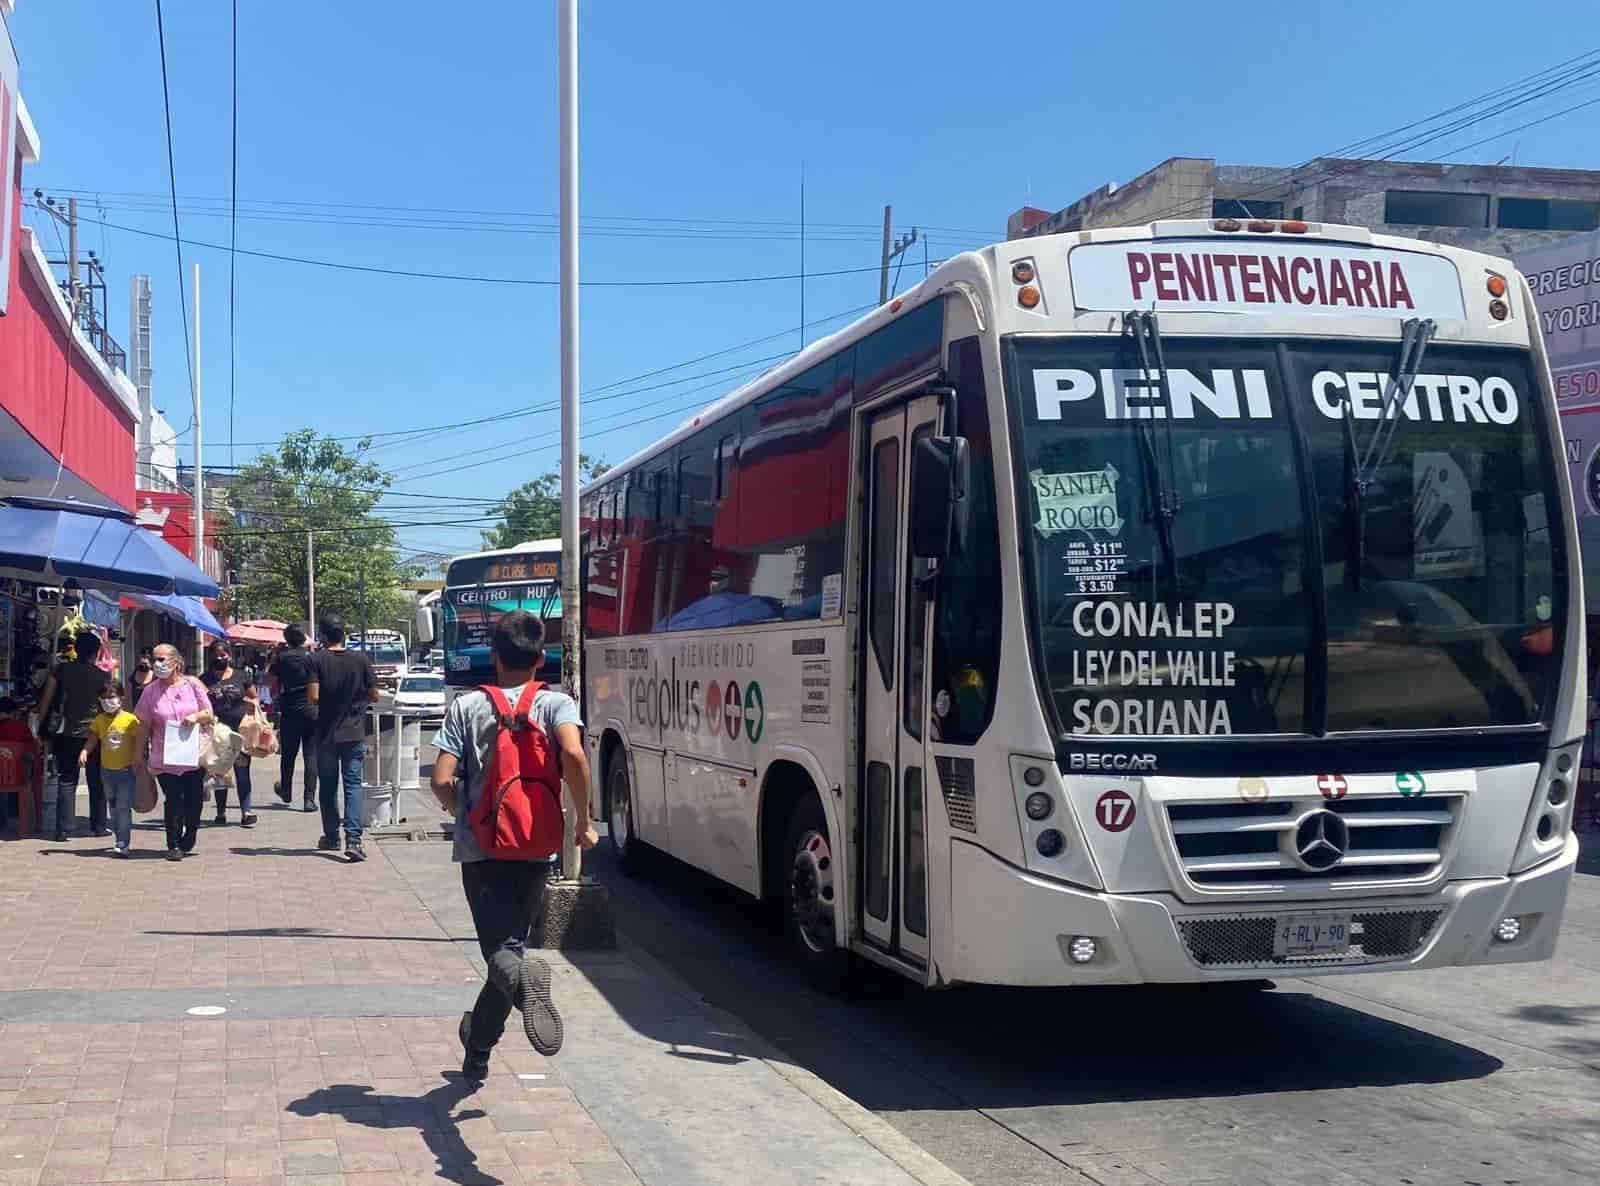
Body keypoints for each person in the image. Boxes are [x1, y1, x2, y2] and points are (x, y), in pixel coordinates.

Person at [430, 610, 597, 1079]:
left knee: (501, 955)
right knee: (511, 949)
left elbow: (441, 780)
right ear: (541, 658)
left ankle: (524, 990)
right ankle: (478, 1046)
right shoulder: (556, 704)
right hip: (536, 846)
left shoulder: (466, 707)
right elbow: (573, 754)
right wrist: (582, 821)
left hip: (481, 849)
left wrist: (459, 809)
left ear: (494, 658)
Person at [134, 643, 214, 861]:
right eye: (154, 659)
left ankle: (191, 833)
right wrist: (138, 755)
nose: (157, 664)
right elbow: (142, 724)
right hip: (164, 756)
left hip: (193, 755)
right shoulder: (150, 691)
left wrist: (195, 717)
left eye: (162, 659)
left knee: (193, 799)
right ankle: (173, 843)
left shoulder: (193, 684)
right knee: (173, 799)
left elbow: (209, 713)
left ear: (176, 661)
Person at [307, 615, 379, 861]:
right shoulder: (361, 659)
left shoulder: (316, 659)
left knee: (328, 787)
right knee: (352, 786)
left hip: (326, 733)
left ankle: (331, 836)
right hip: (354, 732)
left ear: (324, 636)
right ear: (343, 634)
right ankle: (354, 840)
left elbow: (314, 696)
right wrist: (357, 700)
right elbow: (375, 695)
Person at [34, 632, 110, 841]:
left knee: (67, 779)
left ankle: (63, 828)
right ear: (96, 652)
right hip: (94, 735)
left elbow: (47, 700)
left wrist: (39, 725)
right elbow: (107, 707)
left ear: (76, 648)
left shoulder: (60, 670)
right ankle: (99, 825)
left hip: (64, 732)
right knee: (97, 780)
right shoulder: (102, 676)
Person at [202, 643, 259, 828]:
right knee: (220, 772)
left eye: (224, 653)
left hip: (239, 731)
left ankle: (246, 811)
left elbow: (254, 697)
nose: (221, 657)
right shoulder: (204, 679)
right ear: (210, 656)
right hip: (216, 732)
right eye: (217, 654)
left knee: (242, 771)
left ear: (230, 656)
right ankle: (220, 812)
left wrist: (251, 703)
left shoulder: (242, 676)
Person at [81, 686, 141, 855]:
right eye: (104, 698)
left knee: (123, 807)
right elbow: (92, 739)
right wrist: (85, 751)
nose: (109, 701)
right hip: (106, 772)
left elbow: (139, 742)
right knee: (113, 807)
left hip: (126, 771)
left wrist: (140, 760)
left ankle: (123, 843)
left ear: (121, 698)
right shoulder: (99, 720)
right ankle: (119, 836)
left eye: (112, 697)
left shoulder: (131, 720)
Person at [268, 625, 319, 811]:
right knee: (311, 755)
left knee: (288, 754)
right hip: (312, 710)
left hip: (290, 710)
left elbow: (269, 679)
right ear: (304, 639)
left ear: (287, 639)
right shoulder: (313, 657)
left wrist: (275, 655)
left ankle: (286, 791)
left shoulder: (281, 658)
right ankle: (309, 799)